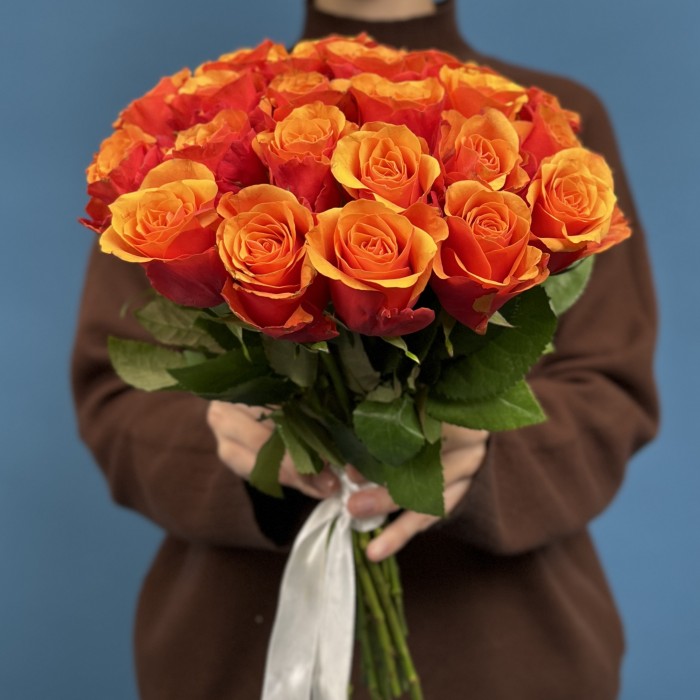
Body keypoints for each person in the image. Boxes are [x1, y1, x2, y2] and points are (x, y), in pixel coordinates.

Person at [71, 0, 659, 697]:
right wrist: (229, 444)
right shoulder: (191, 128)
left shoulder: (542, 126)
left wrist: (483, 459)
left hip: (505, 653)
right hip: (238, 652)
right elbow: (112, 395)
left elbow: (613, 393)